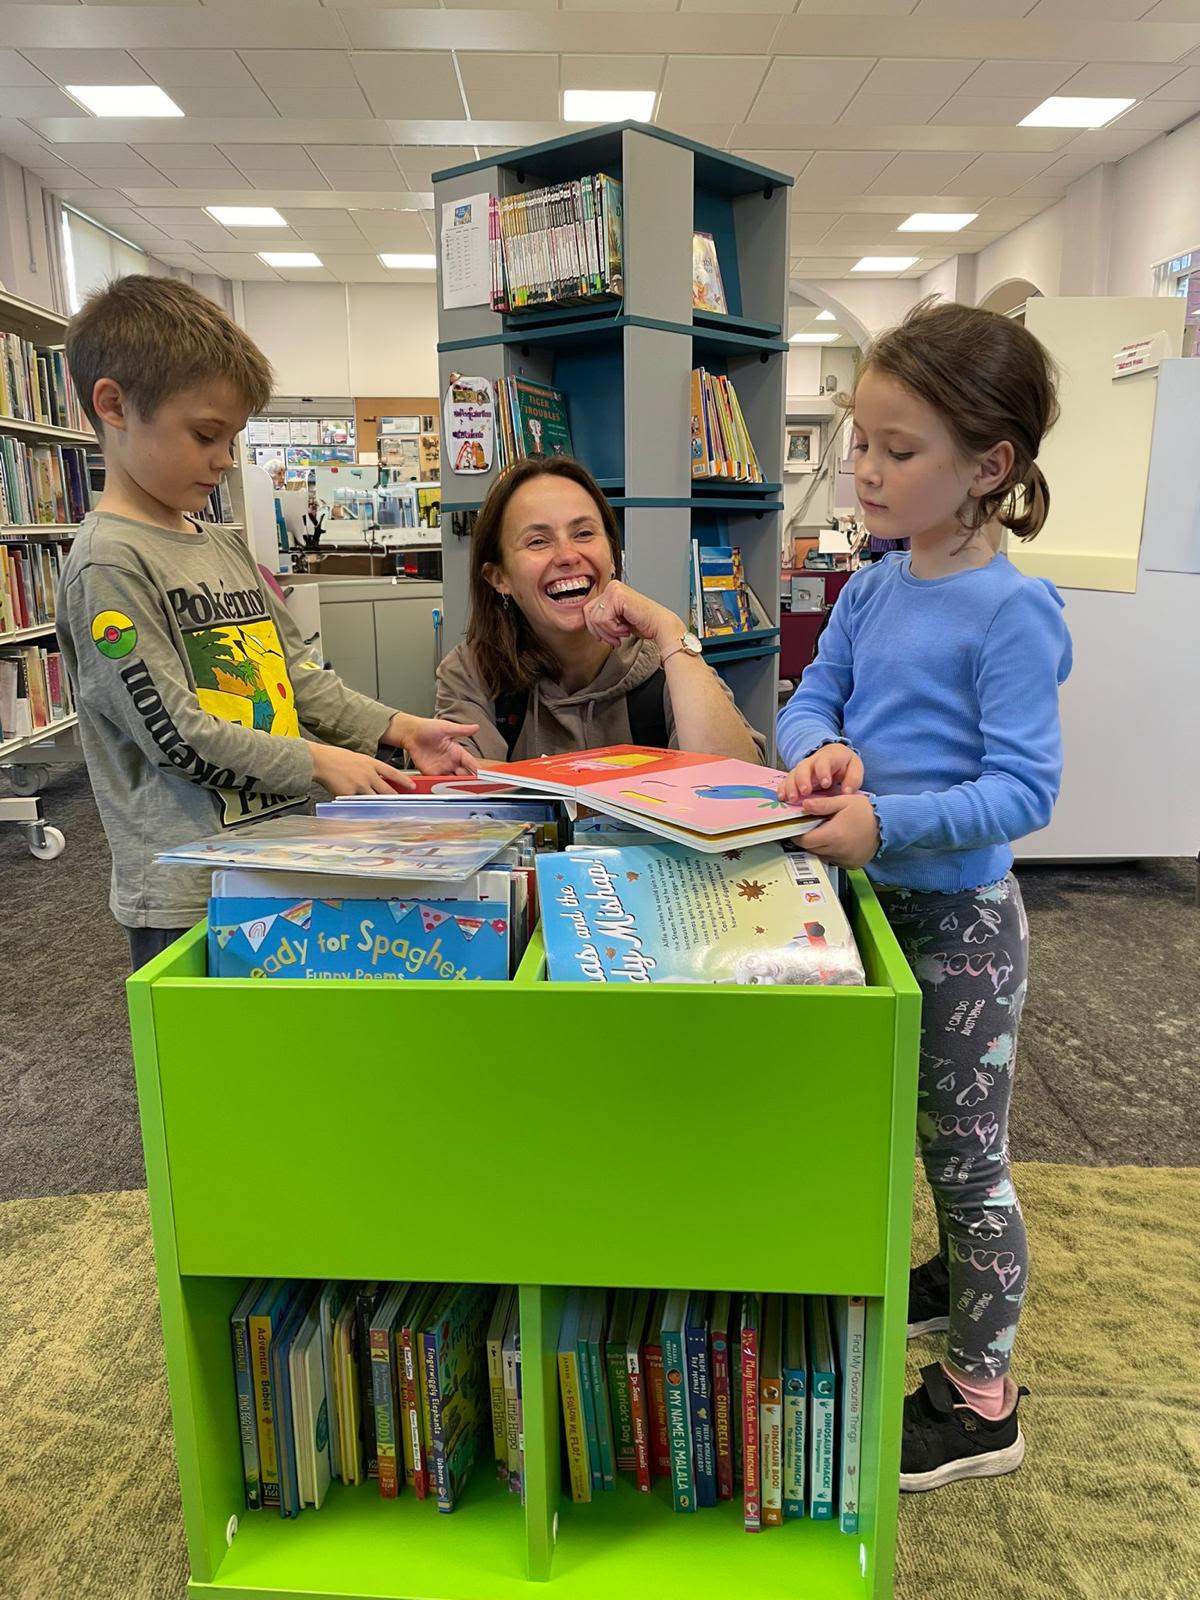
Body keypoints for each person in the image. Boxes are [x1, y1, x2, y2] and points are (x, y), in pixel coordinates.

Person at [776, 298, 1073, 1493]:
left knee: (967, 1160)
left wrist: (888, 817)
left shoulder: (1010, 611)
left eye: (899, 452)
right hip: (865, 909)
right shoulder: (874, 584)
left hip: (959, 928)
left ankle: (982, 1397)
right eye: (862, 444)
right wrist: (817, 754)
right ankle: (950, 1277)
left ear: (987, 466)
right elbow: (815, 695)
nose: (867, 471)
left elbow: (1024, 790)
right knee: (888, 1128)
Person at [56, 276, 477, 969]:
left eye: (233, 437)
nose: (225, 460)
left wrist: (397, 728)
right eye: (205, 435)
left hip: (279, 854)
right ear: (114, 405)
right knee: (210, 1067)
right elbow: (176, 736)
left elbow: (297, 675)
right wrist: (317, 761)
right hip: (189, 891)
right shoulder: (110, 565)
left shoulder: (220, 543)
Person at [436, 457, 765, 764]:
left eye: (584, 533)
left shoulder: (667, 664)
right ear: (499, 577)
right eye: (538, 541)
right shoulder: (472, 673)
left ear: (612, 554)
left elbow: (738, 790)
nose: (567, 555)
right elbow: (468, 805)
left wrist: (669, 629)